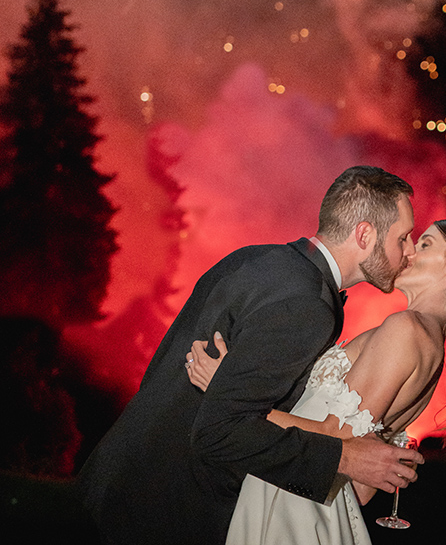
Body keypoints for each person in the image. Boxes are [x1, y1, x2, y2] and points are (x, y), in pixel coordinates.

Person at [76, 166, 424, 545]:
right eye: (403, 237)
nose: (409, 251)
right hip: (166, 514)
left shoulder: (256, 259)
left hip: (119, 482)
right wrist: (345, 459)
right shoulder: (305, 305)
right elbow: (219, 432)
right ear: (364, 234)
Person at [187, 219, 446, 544]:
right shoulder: (430, 345)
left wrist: (231, 393)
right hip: (311, 498)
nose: (411, 250)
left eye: (426, 244)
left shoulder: (407, 328)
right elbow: (363, 488)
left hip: (295, 503)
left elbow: (337, 436)